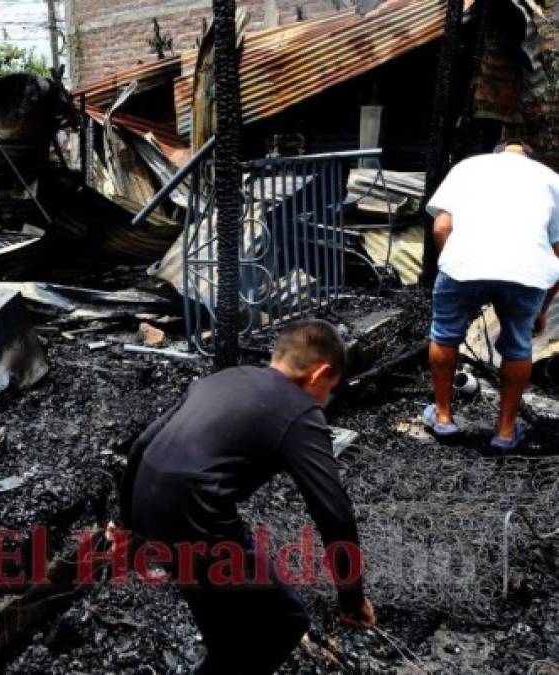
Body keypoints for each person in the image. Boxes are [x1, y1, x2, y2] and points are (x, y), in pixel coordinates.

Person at [115, 320, 376, 675]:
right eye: (330, 390)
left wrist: (124, 521)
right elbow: (334, 511)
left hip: (149, 499)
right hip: (197, 512)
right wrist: (352, 598)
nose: (326, 401)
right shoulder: (300, 408)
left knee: (218, 607)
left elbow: (144, 441)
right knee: (282, 624)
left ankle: (220, 653)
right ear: (320, 374)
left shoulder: (224, 378)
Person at [424, 140, 559, 450]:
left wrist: (455, 265)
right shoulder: (551, 178)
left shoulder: (468, 166)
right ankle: (506, 432)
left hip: (463, 264)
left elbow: (441, 227)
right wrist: (543, 308)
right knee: (518, 345)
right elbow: (558, 250)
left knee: (445, 335)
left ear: (496, 154)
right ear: (530, 158)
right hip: (527, 270)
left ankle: (443, 418)